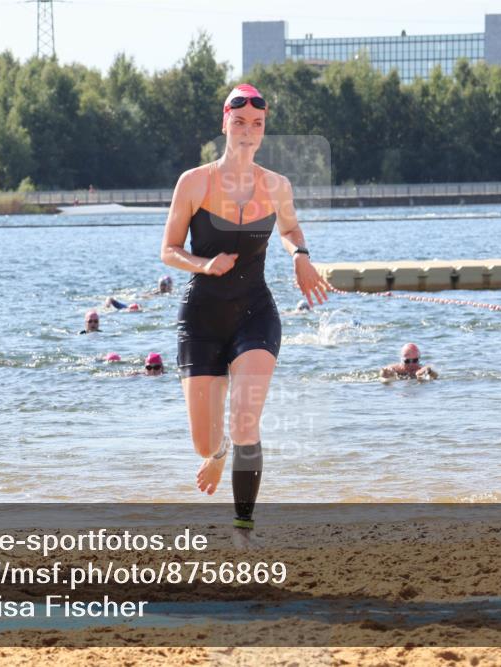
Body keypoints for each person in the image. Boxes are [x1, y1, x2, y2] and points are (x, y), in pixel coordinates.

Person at [160, 83, 330, 547]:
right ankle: (217, 454)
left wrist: (300, 257)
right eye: (239, 123)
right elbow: (169, 250)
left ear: (263, 129)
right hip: (201, 318)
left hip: (255, 313)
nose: (248, 132)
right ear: (225, 124)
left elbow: (291, 228)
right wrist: (204, 264)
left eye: (256, 124)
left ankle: (243, 529)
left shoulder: (277, 186)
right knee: (205, 441)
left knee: (245, 423)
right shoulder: (193, 182)